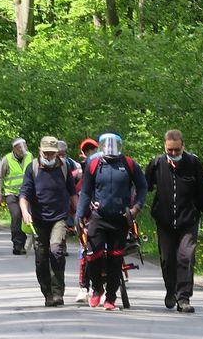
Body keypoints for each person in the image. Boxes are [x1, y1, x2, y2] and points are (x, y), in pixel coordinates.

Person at [145, 129, 203, 313]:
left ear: (183, 146)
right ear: (164, 147)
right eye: (170, 150)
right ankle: (171, 291)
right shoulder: (156, 164)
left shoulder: (194, 163)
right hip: (164, 221)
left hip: (188, 220)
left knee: (186, 256)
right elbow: (143, 186)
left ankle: (183, 297)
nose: (174, 154)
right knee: (167, 259)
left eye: (177, 150)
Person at [76, 133, 147, 311]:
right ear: (100, 146)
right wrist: (80, 214)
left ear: (119, 145)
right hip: (98, 217)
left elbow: (142, 186)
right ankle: (97, 288)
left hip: (121, 219)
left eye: (113, 144)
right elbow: (85, 191)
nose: (109, 147)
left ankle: (111, 297)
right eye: (106, 144)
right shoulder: (94, 164)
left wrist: (136, 208)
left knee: (116, 259)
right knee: (92, 256)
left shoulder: (129, 164)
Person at [19, 136, 78, 307]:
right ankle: (47, 293)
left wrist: (79, 214)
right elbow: (24, 194)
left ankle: (58, 292)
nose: (50, 156)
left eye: (53, 153)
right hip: (38, 219)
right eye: (46, 153)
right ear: (40, 151)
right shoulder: (33, 168)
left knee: (56, 250)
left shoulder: (64, 167)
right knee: (41, 257)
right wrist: (25, 212)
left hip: (59, 217)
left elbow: (72, 192)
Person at [0, 138, 33, 254]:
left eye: (24, 147)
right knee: (16, 216)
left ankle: (30, 242)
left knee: (27, 217)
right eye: (20, 148)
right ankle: (18, 244)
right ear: (14, 149)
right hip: (12, 194)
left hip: (27, 194)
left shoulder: (29, 156)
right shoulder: (7, 159)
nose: (22, 150)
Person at [74, 138, 98, 303]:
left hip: (109, 216)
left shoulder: (112, 168)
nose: (91, 153)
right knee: (86, 251)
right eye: (87, 151)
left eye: (93, 149)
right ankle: (84, 287)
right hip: (88, 218)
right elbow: (75, 195)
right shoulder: (79, 175)